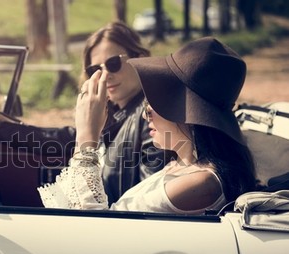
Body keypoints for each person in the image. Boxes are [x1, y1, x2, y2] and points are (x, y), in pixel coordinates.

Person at [0, 21, 174, 205]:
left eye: (113, 63)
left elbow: (147, 205)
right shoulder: (115, 114)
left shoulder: (151, 116)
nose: (105, 76)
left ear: (140, 57)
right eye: (95, 69)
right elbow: (58, 138)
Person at [38, 37, 257, 214]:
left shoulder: (200, 182)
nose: (146, 113)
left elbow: (96, 228)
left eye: (158, 101)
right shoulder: (182, 165)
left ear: (190, 113)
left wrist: (87, 139)